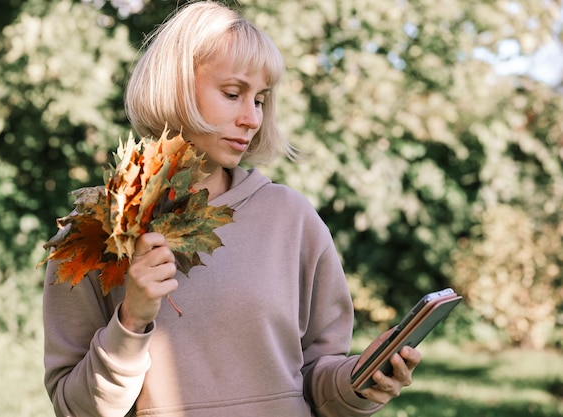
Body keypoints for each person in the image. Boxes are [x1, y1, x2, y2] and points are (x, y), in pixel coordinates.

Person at [42, 1, 421, 416]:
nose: (252, 118)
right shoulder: (93, 233)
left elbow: (316, 378)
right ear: (177, 87)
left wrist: (360, 383)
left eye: (259, 100)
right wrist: (130, 321)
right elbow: (74, 408)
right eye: (232, 93)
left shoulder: (290, 218)